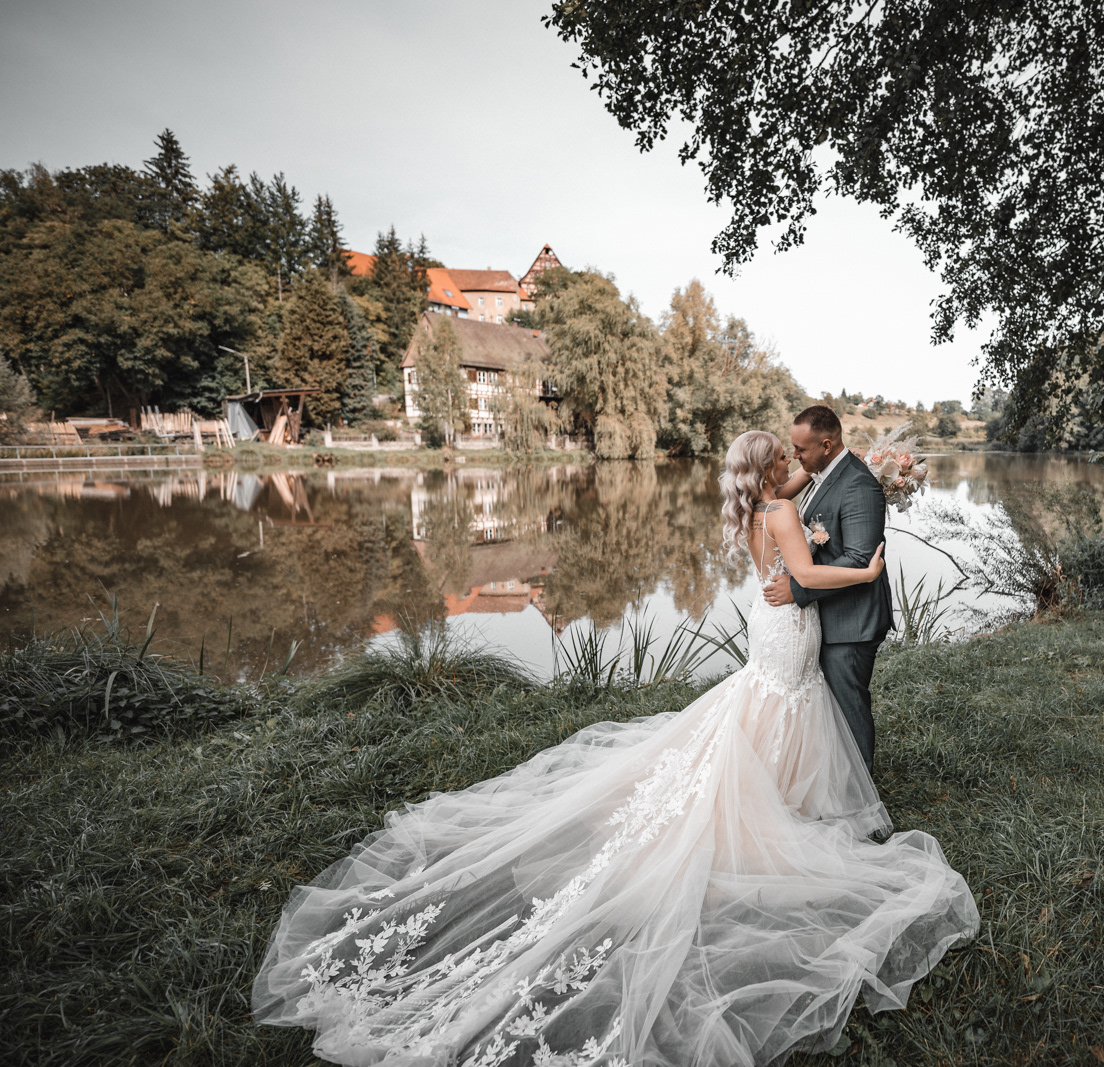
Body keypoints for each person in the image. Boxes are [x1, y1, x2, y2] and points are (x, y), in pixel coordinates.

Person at [252, 429, 978, 1067]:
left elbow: (788, 513)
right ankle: (775, 807)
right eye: (783, 458)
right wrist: (865, 571)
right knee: (785, 702)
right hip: (789, 628)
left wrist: (853, 478)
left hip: (769, 626)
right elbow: (810, 576)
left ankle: (775, 793)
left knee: (766, 707)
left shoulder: (757, 509)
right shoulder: (783, 512)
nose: (793, 464)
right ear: (769, 470)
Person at [762, 405, 893, 771]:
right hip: (832, 612)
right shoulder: (824, 472)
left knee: (849, 709)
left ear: (826, 445)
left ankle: (861, 793)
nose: (794, 456)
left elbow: (860, 559)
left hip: (853, 619)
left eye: (800, 449)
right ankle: (837, 780)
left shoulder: (858, 485)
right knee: (832, 708)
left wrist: (798, 589)